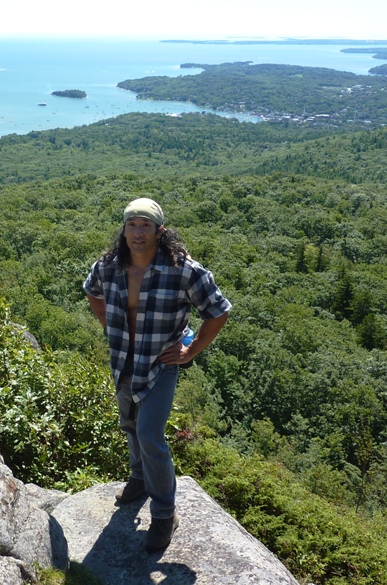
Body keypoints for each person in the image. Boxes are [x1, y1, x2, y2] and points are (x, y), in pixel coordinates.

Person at [83, 197, 231, 552]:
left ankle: (164, 513)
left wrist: (191, 351)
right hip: (123, 358)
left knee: (150, 432)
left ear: (160, 231)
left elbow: (219, 311)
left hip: (161, 361)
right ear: (123, 229)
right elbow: (92, 293)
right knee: (129, 423)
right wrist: (112, 327)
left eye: (145, 225)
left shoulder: (184, 271)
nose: (137, 232)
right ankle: (138, 476)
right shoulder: (109, 266)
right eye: (131, 224)